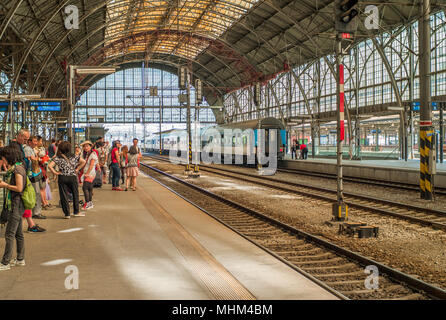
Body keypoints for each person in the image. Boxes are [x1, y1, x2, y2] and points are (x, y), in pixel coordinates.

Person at [8, 130, 45, 233]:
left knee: (26, 199)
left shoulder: (20, 146)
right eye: (25, 139)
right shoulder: (15, 147)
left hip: (23, 175)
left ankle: (30, 224)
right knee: (25, 199)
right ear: (19, 136)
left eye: (27, 139)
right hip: (20, 176)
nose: (26, 141)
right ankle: (28, 225)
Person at [0, 146, 28, 270]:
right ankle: (20, 259)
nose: (3, 161)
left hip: (16, 204)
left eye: (3, 158)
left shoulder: (17, 169)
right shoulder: (17, 167)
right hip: (18, 204)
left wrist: (5, 185)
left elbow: (19, 188)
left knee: (9, 234)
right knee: (18, 233)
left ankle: (5, 262)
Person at [47, 141, 85, 218]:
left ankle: (67, 214)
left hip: (62, 177)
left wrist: (55, 172)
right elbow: (83, 162)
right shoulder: (74, 156)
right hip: (72, 177)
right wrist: (77, 169)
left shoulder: (58, 158)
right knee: (75, 194)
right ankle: (76, 212)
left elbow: (50, 166)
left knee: (64, 195)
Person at [24, 136, 45, 220]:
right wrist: (36, 158)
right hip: (31, 175)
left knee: (37, 192)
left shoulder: (32, 149)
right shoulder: (28, 149)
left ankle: (37, 211)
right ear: (29, 142)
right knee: (36, 193)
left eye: (36, 141)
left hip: (35, 174)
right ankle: (36, 212)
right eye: (34, 141)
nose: (36, 143)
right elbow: (33, 160)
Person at [79, 141, 98, 210]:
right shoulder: (87, 154)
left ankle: (88, 203)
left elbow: (91, 165)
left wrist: (87, 173)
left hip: (90, 173)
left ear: (91, 146)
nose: (85, 147)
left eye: (87, 146)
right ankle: (89, 203)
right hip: (89, 172)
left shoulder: (92, 154)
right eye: (84, 146)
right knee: (89, 188)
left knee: (85, 188)